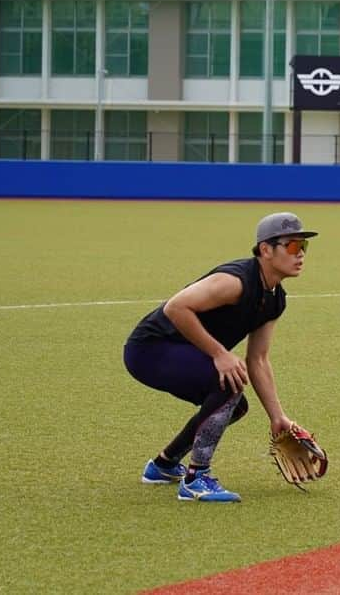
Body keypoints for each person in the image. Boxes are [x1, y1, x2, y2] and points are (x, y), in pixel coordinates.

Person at [123, 211, 318, 502]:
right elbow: (176, 308)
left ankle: (163, 465)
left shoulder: (275, 298)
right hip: (150, 349)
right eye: (291, 246)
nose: (299, 254)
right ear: (266, 249)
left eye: (303, 247)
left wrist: (277, 417)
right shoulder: (235, 281)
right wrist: (219, 354)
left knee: (235, 404)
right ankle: (195, 478)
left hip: (177, 351)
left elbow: (259, 360)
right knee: (228, 383)